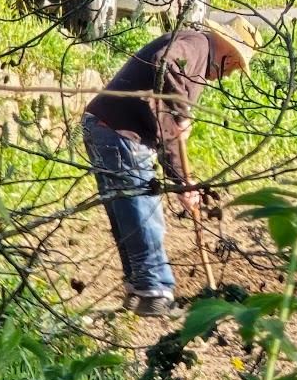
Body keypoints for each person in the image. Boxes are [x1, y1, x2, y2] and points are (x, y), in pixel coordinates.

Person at [81, 17, 259, 317]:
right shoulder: (196, 48)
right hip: (119, 133)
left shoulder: (196, 60)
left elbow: (168, 133)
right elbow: (166, 64)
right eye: (235, 65)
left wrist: (181, 183)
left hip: (107, 128)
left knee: (126, 212)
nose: (229, 74)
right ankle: (155, 293)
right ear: (227, 51)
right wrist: (182, 110)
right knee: (142, 211)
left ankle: (139, 290)